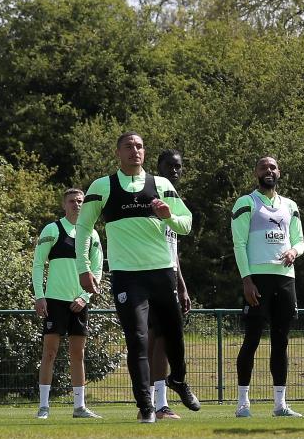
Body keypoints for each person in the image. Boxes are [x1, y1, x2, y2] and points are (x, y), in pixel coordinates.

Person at [76, 132, 200, 423]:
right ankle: (146, 406)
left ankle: (179, 381)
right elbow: (83, 228)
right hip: (127, 277)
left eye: (140, 146)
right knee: (138, 339)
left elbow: (187, 225)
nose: (135, 151)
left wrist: (169, 215)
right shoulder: (103, 186)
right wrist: (84, 268)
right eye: (129, 146)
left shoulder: (162, 185)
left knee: (174, 336)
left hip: (162, 273)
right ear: (118, 152)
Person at [231, 156, 304, 418]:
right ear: (256, 174)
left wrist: (294, 252)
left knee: (281, 342)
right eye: (263, 167)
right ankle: (243, 403)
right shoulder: (246, 203)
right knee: (251, 340)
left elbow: (299, 241)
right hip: (257, 280)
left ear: (279, 172)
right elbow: (238, 244)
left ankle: (280, 404)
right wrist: (247, 280)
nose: (268, 171)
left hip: (285, 279)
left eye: (272, 167)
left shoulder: (290, 206)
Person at [31, 188, 103, 420]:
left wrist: (85, 297)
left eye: (81, 201)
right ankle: (43, 407)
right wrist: (40, 296)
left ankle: (79, 407)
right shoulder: (52, 229)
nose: (77, 205)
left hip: (79, 303)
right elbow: (38, 264)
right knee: (49, 353)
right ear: (64, 205)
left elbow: (98, 270)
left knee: (77, 355)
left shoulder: (91, 234)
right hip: (55, 301)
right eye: (72, 201)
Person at [145, 149, 192, 420]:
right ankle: (157, 403)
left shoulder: (174, 203)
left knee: (157, 337)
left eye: (179, 166)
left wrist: (182, 285)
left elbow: (173, 251)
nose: (175, 171)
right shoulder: (149, 195)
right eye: (169, 166)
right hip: (147, 274)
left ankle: (151, 401)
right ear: (158, 167)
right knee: (156, 338)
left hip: (168, 277)